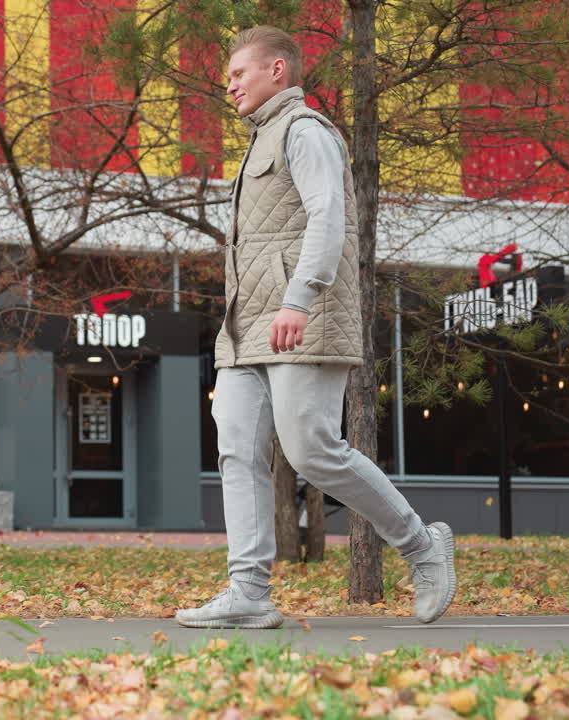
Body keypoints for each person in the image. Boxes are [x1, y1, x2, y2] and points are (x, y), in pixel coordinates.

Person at [176, 26, 456, 629]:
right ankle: (248, 590)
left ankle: (421, 546)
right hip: (246, 324)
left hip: (300, 318)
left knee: (311, 450)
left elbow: (329, 218)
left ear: (278, 70)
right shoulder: (260, 140)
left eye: (238, 74)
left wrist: (299, 299)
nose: (229, 86)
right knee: (237, 452)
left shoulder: (306, 132)